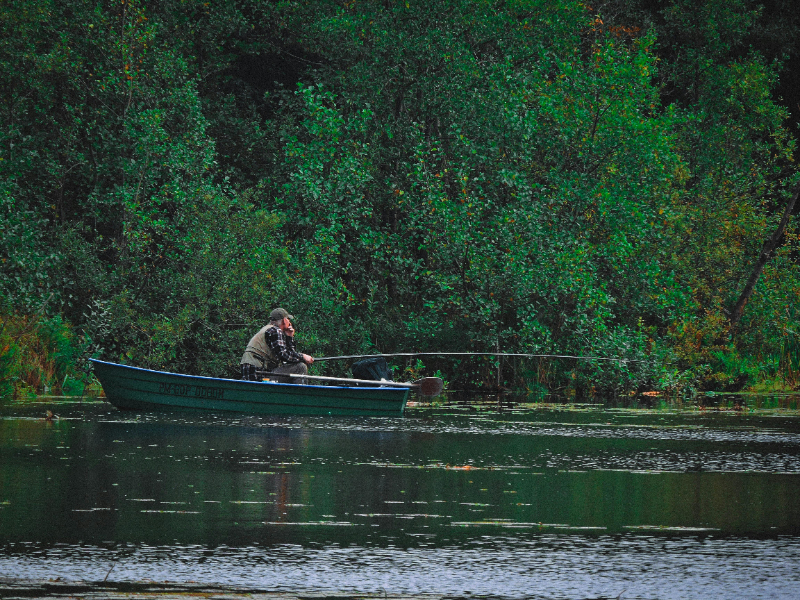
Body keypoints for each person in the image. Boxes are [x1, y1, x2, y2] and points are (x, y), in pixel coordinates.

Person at [240, 308, 314, 383]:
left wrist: (289, 337)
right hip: (260, 376)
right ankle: (299, 394)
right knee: (300, 367)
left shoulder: (267, 329)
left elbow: (289, 357)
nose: (289, 322)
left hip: (254, 375)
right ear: (284, 320)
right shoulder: (275, 330)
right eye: (288, 319)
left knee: (296, 366)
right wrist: (303, 357)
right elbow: (284, 355)